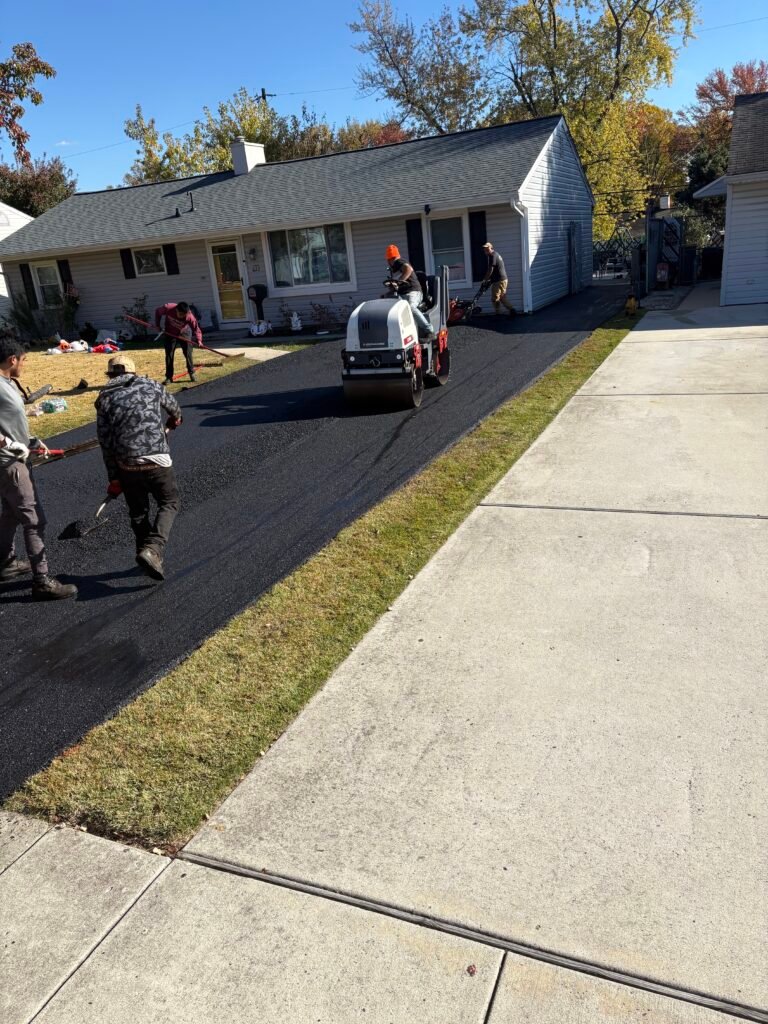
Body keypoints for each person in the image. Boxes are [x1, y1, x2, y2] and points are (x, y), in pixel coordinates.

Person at [0, 336, 77, 600]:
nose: (25, 364)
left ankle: (5, 563)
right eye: (24, 360)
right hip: (8, 463)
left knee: (11, 513)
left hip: (16, 457)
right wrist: (8, 444)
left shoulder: (8, 383)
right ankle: (42, 581)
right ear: (12, 360)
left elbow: (9, 421)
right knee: (34, 520)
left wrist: (30, 440)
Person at [95, 355, 182, 581]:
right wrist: (173, 422)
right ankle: (153, 550)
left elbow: (106, 442)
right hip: (157, 461)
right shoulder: (151, 384)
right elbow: (175, 409)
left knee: (138, 512)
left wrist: (114, 478)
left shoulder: (103, 398)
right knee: (170, 502)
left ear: (110, 375)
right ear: (133, 372)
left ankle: (143, 554)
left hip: (127, 464)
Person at [384, 245, 435, 339]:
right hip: (402, 294)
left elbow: (408, 269)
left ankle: (429, 330)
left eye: (388, 260)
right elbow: (395, 286)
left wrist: (398, 283)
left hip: (414, 292)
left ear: (389, 259)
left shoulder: (399, 262)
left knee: (410, 307)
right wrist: (385, 295)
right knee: (391, 308)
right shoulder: (394, 270)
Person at [154, 301, 203, 384]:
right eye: (181, 315)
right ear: (176, 310)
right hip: (170, 333)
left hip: (184, 333)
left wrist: (199, 340)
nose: (182, 317)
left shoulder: (190, 317)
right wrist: (158, 326)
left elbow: (196, 329)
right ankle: (169, 377)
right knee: (169, 355)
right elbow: (157, 312)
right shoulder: (168, 308)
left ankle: (192, 373)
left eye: (184, 315)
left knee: (188, 353)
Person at [481, 242, 516, 316]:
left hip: (499, 280)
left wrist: (485, 279)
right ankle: (512, 310)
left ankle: (498, 314)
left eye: (487, 249)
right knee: (502, 297)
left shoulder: (492, 256)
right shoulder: (496, 254)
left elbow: (491, 270)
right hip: (503, 279)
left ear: (491, 248)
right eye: (485, 249)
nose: (486, 250)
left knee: (495, 298)